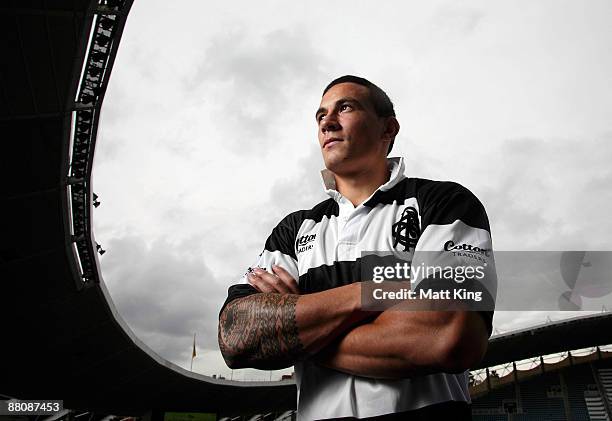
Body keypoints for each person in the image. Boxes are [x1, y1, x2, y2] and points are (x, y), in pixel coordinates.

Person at [218, 75, 497, 420]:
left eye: (345, 107)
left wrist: (295, 324)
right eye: (320, 116)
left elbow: (449, 335)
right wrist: (374, 293)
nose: (327, 123)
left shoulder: (444, 203)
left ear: (387, 129)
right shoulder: (294, 229)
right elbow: (236, 336)